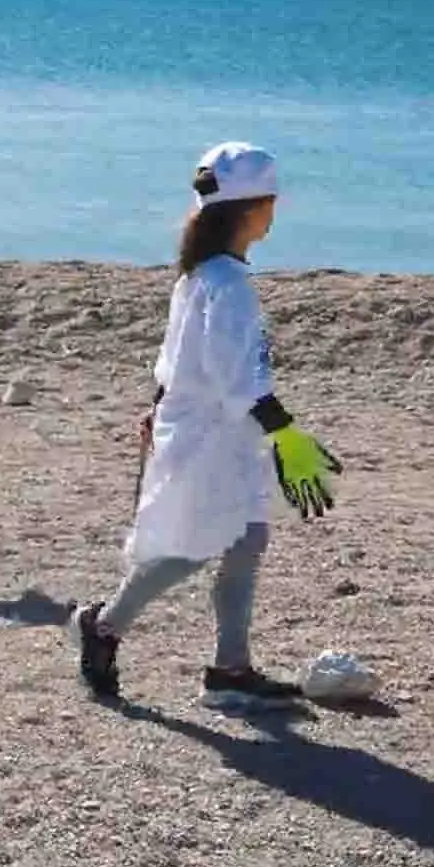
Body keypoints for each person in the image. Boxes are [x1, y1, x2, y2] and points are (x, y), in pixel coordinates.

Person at [71, 141, 343, 711]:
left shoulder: (203, 275)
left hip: (213, 430)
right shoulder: (226, 284)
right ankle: (103, 625)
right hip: (210, 437)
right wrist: (285, 432)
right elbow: (234, 377)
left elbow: (178, 356)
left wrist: (157, 405)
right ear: (253, 208)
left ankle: (229, 670)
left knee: (246, 539)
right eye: (271, 202)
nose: (274, 212)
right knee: (197, 546)